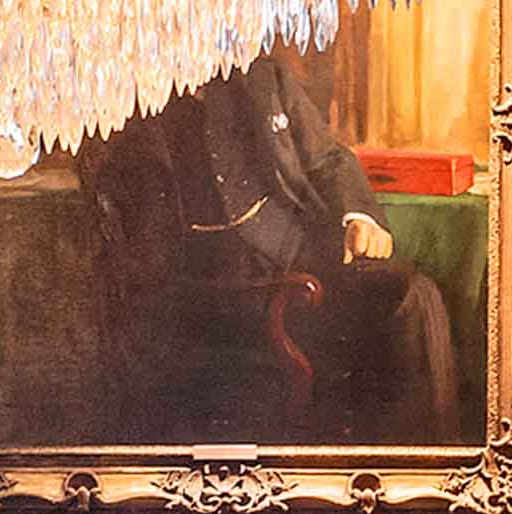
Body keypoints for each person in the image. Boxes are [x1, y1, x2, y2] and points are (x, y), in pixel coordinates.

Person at [75, 45, 459, 440]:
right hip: (229, 299)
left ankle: (430, 465)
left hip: (304, 265)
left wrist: (357, 217)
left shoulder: (265, 76)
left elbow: (328, 158)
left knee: (414, 294)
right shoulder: (134, 104)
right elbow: (146, 256)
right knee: (402, 306)